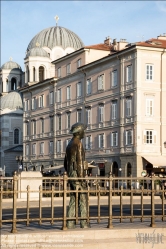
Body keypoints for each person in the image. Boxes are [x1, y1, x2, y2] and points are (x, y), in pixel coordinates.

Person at [64, 122, 90, 229]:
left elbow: (65, 163)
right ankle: (84, 223)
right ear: (79, 132)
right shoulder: (78, 143)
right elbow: (79, 162)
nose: (85, 132)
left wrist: (70, 173)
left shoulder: (69, 144)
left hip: (71, 174)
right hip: (78, 175)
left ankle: (70, 222)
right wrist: (81, 177)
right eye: (83, 130)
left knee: (73, 198)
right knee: (83, 198)